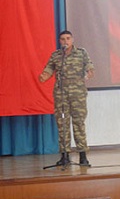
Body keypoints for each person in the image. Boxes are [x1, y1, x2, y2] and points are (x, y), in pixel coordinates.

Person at [39, 30, 95, 167]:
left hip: (78, 95)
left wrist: (89, 73)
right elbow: (49, 69)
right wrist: (43, 76)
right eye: (63, 39)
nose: (66, 41)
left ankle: (83, 155)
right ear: (60, 41)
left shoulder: (81, 53)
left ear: (72, 40)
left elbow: (90, 68)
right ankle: (65, 155)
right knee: (62, 125)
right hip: (61, 95)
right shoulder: (57, 56)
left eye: (68, 38)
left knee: (79, 124)